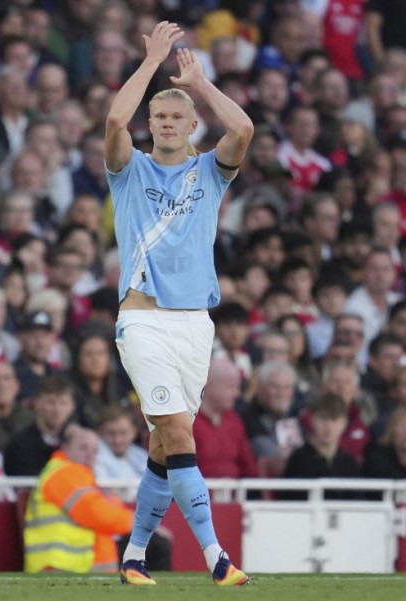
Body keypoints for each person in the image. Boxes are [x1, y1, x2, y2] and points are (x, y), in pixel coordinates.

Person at [105, 22, 253, 586]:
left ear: (193, 126)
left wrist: (200, 83)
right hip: (142, 320)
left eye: (176, 117)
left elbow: (243, 128)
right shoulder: (129, 171)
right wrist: (151, 62)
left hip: (195, 326)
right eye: (159, 117)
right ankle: (216, 557)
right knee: (179, 433)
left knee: (164, 446)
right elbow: (114, 122)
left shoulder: (209, 172)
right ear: (150, 125)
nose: (166, 123)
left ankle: (133, 556)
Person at [23, 426, 134, 573]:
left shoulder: (81, 477)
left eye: (95, 451)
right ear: (65, 448)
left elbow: (110, 507)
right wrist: (137, 523)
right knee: (153, 546)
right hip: (58, 567)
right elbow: (96, 512)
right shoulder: (64, 472)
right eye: (83, 448)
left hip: (74, 567)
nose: (89, 455)